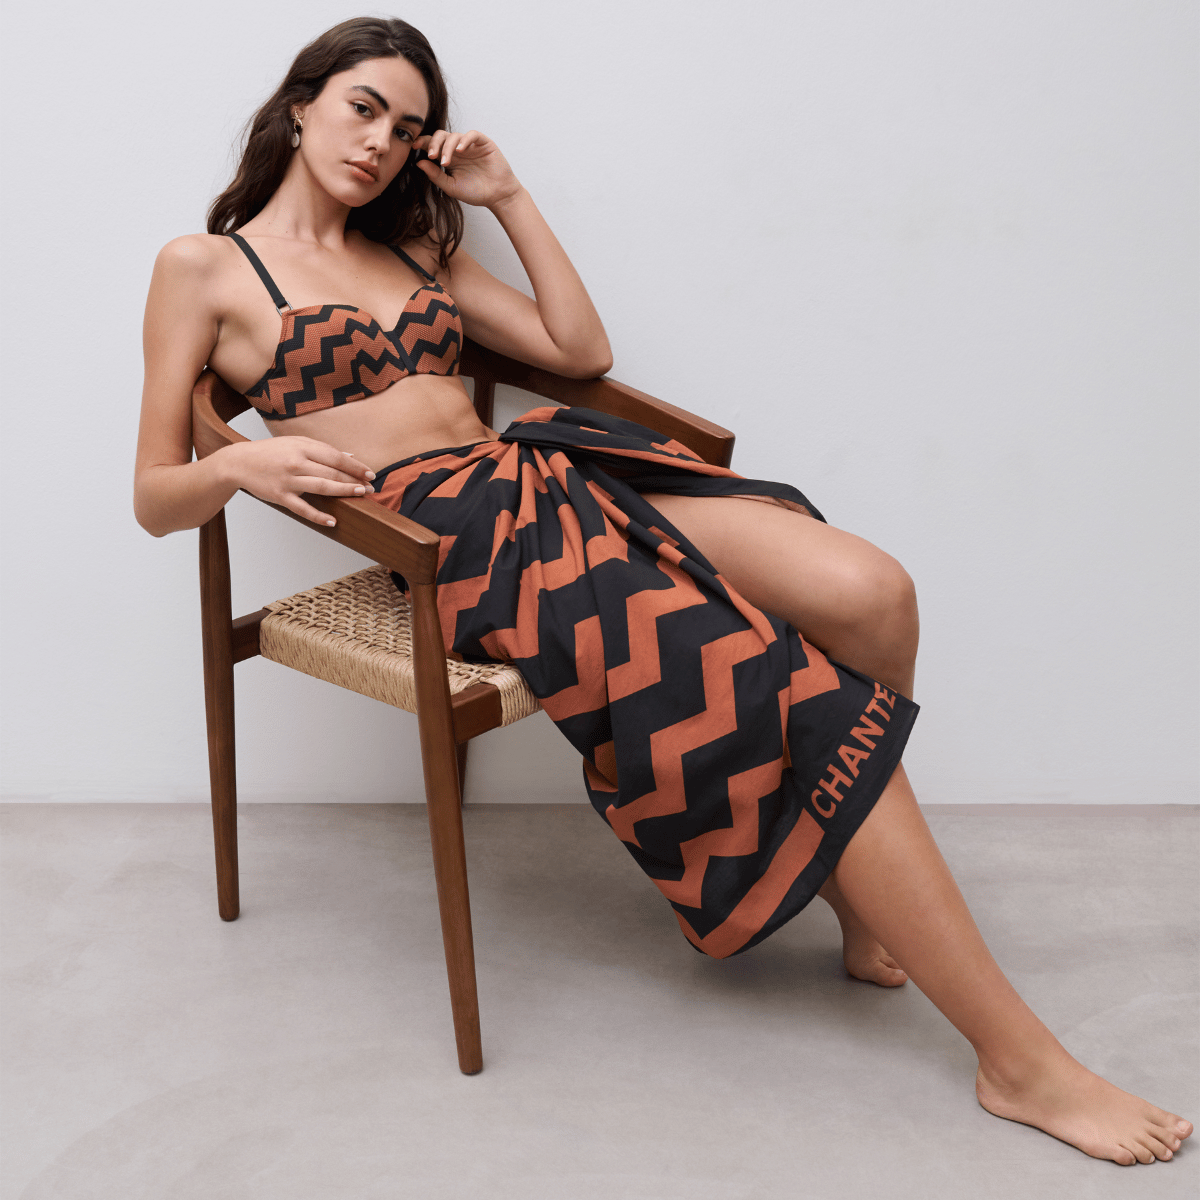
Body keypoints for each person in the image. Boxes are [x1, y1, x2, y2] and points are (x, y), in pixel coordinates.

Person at [134, 16, 1190, 1166]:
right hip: (464, 541)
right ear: (301, 106)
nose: (381, 140)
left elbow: (577, 351)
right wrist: (237, 465)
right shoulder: (203, 268)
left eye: (407, 125)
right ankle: (1017, 1062)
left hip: (551, 471)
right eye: (362, 108)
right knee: (783, 689)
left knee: (872, 592)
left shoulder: (419, 245)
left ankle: (853, 892)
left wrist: (506, 197)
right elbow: (152, 493)